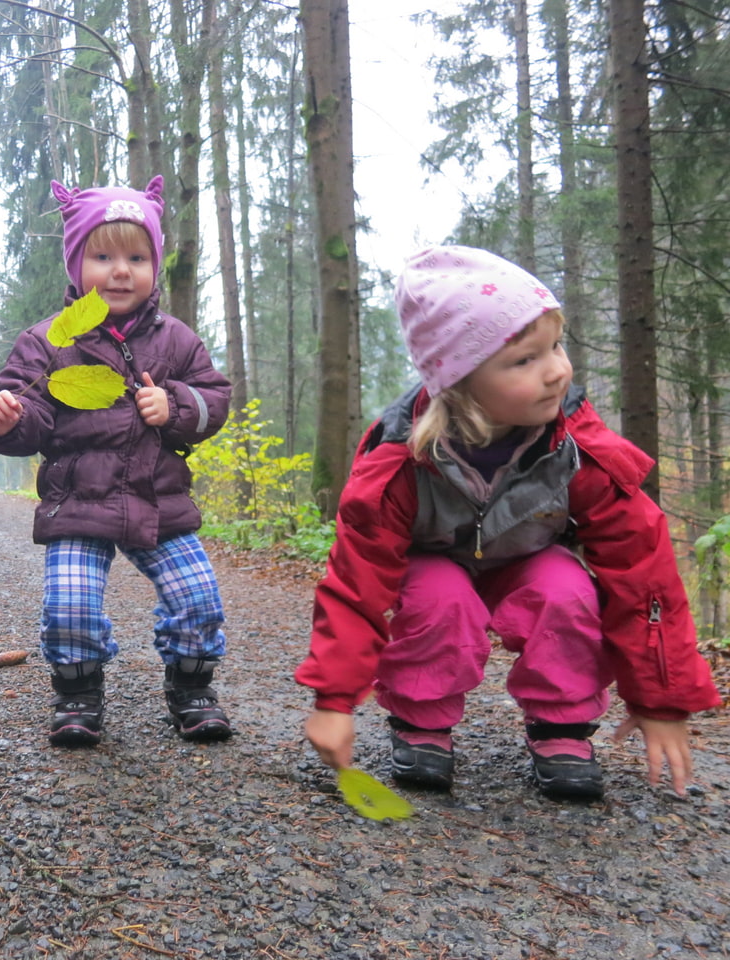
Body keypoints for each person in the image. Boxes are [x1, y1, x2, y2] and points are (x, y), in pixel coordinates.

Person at [297, 244, 721, 800]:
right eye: (524, 361)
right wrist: (334, 700)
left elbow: (643, 572)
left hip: (526, 558)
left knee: (565, 589)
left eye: (556, 346)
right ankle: (422, 720)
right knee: (440, 596)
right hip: (436, 563)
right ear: (460, 381)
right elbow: (356, 588)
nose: (556, 372)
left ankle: (562, 726)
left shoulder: (578, 450)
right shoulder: (400, 464)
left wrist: (661, 700)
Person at [0, 176, 235, 746]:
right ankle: (77, 695)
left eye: (137, 257)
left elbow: (215, 397)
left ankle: (192, 689)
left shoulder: (176, 340)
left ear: (155, 264)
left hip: (157, 498)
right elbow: (32, 412)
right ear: (76, 263)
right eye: (103, 255)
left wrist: (177, 405)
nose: (121, 270)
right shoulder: (47, 342)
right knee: (71, 604)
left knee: (198, 599)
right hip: (77, 501)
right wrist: (7, 419)